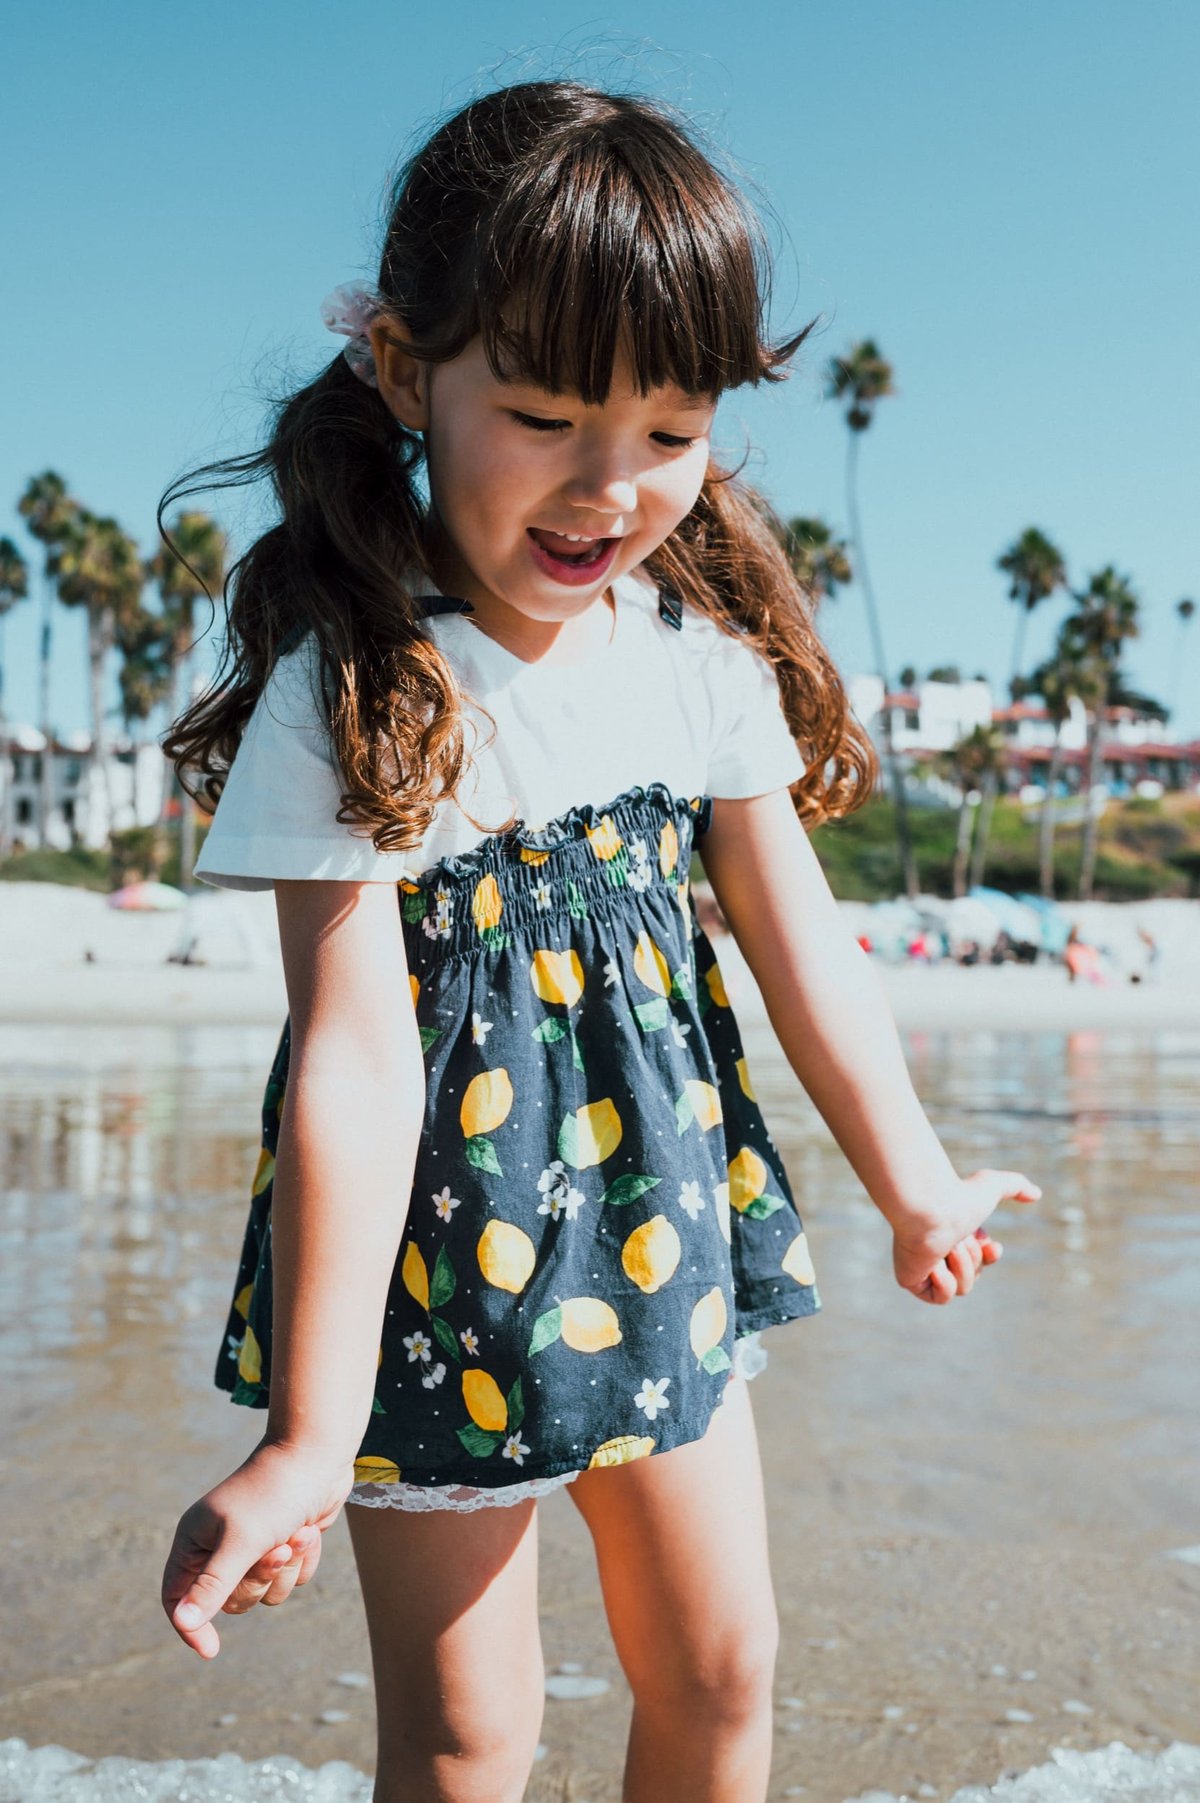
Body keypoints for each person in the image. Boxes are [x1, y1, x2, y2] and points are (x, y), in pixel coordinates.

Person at [157, 80, 1041, 1803]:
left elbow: (799, 934)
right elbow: (349, 1056)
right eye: (547, 414)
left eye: (666, 428)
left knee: (722, 1673)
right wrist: (310, 1439)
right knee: (475, 1740)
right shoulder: (358, 684)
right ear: (410, 372)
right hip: (431, 1273)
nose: (607, 486)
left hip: (663, 1229)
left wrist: (915, 1180)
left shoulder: (688, 650)